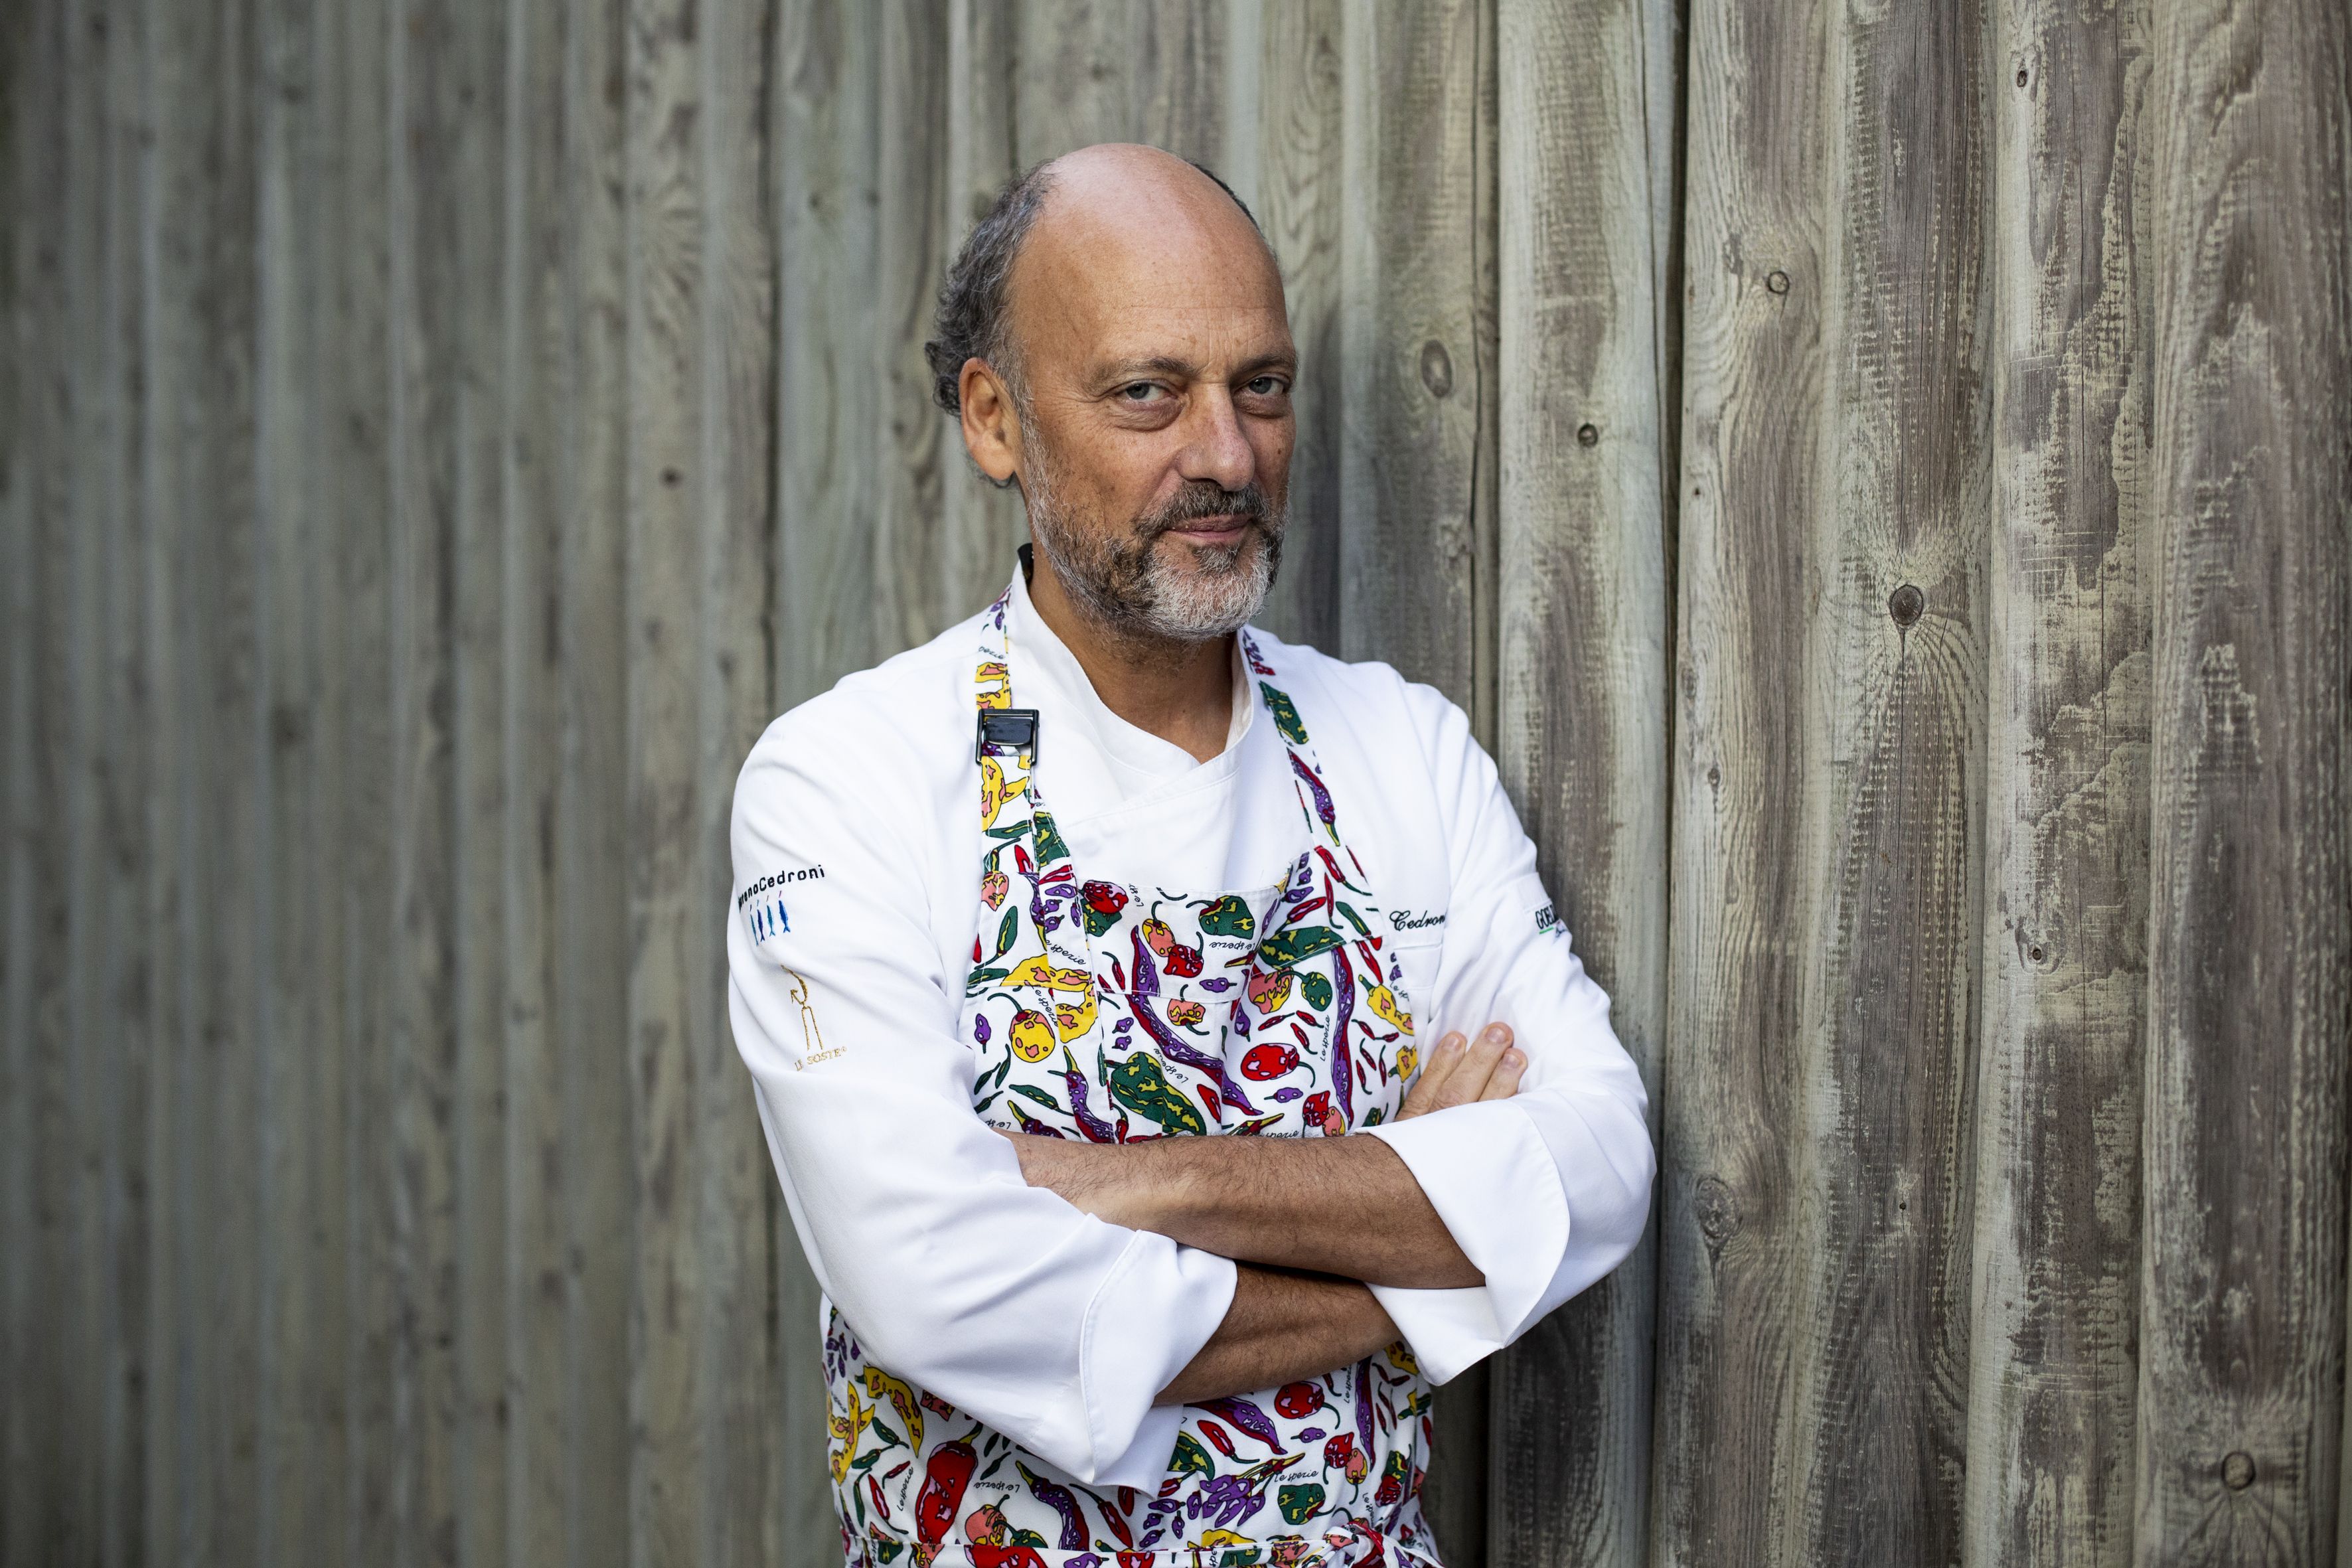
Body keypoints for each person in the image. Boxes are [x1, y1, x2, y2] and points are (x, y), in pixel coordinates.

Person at [728, 143, 1652, 1568]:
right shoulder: (843, 780)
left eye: (1259, 387)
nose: (1223, 455)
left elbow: (1597, 1162)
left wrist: (1120, 1181)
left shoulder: (1397, 749)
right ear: (994, 418)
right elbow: (934, 1275)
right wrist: (1417, 1228)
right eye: (1146, 392)